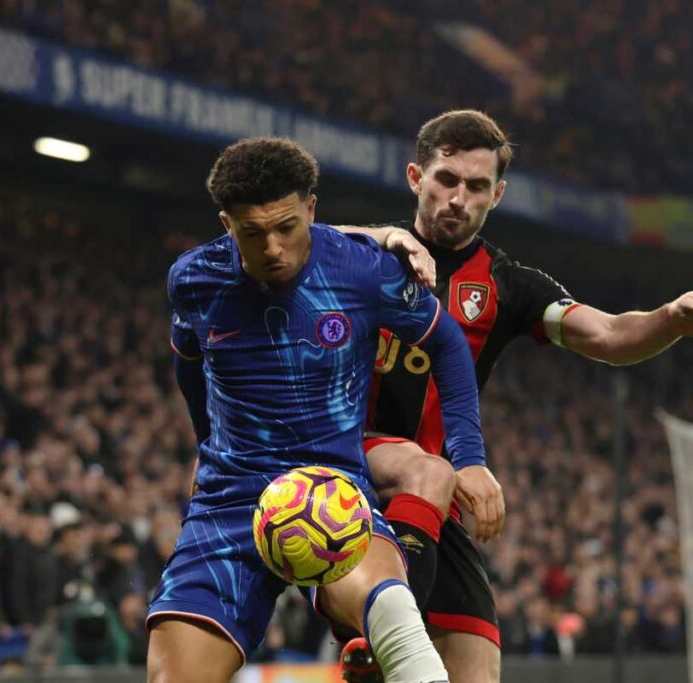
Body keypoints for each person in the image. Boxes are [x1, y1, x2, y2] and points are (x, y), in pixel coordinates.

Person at [343, 109, 693, 682]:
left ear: (497, 195)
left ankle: (383, 636)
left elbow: (608, 335)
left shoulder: (507, 285)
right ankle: (383, 630)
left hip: (433, 504)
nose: (458, 198)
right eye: (446, 180)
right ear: (416, 178)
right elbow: (303, 239)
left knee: (477, 671)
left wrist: (670, 320)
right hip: (350, 475)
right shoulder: (363, 256)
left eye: (476, 186)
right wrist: (383, 236)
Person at [146, 136, 489, 683]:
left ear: (311, 209)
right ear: (226, 224)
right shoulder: (194, 280)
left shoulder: (362, 269)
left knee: (392, 614)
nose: (272, 248)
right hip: (230, 499)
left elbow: (446, 342)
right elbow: (190, 363)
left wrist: (469, 456)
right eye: (252, 233)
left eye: (286, 227)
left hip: (333, 492)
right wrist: (204, 442)